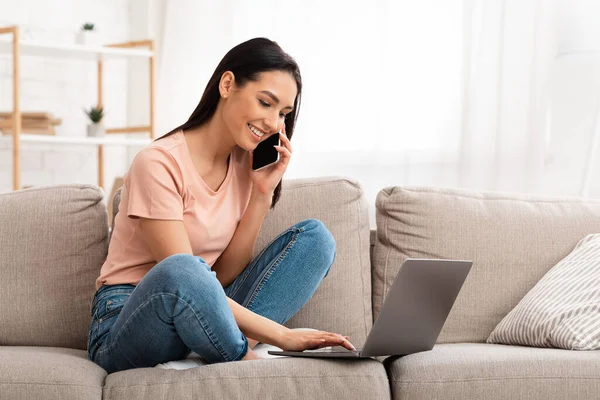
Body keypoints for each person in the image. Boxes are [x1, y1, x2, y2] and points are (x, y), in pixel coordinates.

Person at [87, 37, 355, 374]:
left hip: (202, 309)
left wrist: (261, 194)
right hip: (129, 320)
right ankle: (243, 363)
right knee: (183, 268)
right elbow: (182, 278)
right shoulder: (157, 163)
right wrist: (283, 336)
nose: (274, 123)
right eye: (265, 103)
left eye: (283, 113)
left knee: (317, 240)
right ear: (227, 85)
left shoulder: (246, 164)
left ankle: (208, 350)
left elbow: (224, 274)